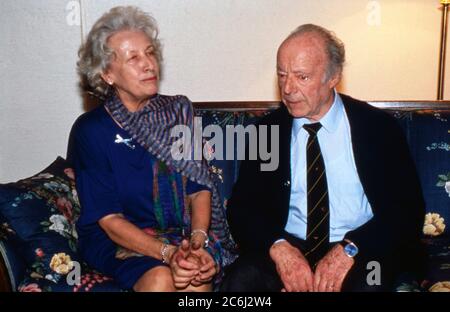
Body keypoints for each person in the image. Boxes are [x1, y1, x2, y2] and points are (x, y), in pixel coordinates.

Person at [221, 24, 425, 292]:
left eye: (301, 77)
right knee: (241, 282)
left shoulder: (376, 127)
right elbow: (243, 208)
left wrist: (351, 248)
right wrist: (279, 248)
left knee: (371, 283)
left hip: (361, 248)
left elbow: (406, 210)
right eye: (282, 75)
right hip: (289, 246)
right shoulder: (268, 132)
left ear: (333, 77)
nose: (288, 88)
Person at [67, 6, 235, 292]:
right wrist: (167, 254)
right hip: (117, 239)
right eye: (134, 58)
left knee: (196, 277)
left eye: (150, 53)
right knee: (161, 279)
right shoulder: (91, 130)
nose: (149, 64)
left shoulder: (179, 111)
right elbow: (109, 221)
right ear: (107, 73)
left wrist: (196, 242)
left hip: (180, 235)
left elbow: (199, 188)